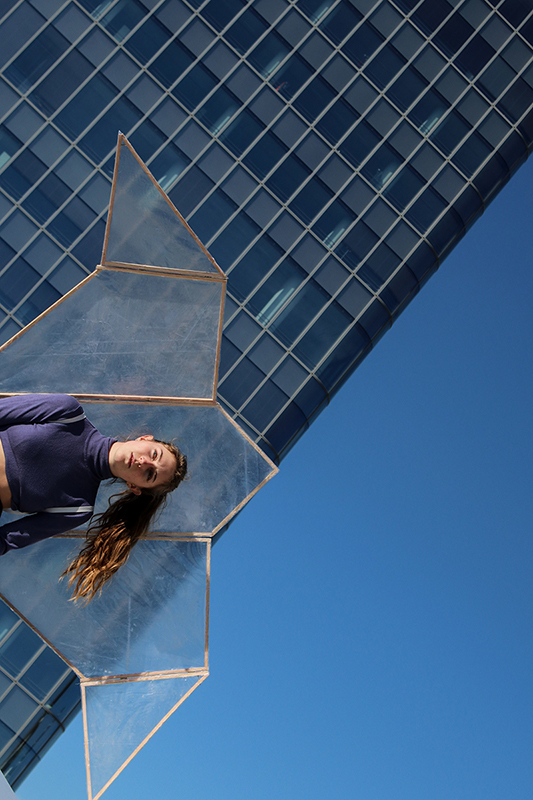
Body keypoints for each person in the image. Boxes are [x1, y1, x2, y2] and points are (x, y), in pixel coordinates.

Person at [0, 393, 187, 601]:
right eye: (154, 454)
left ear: (135, 487)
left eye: (149, 475)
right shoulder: (67, 412)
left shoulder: (78, 508)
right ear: (145, 438)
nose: (144, 463)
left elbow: (6, 540)